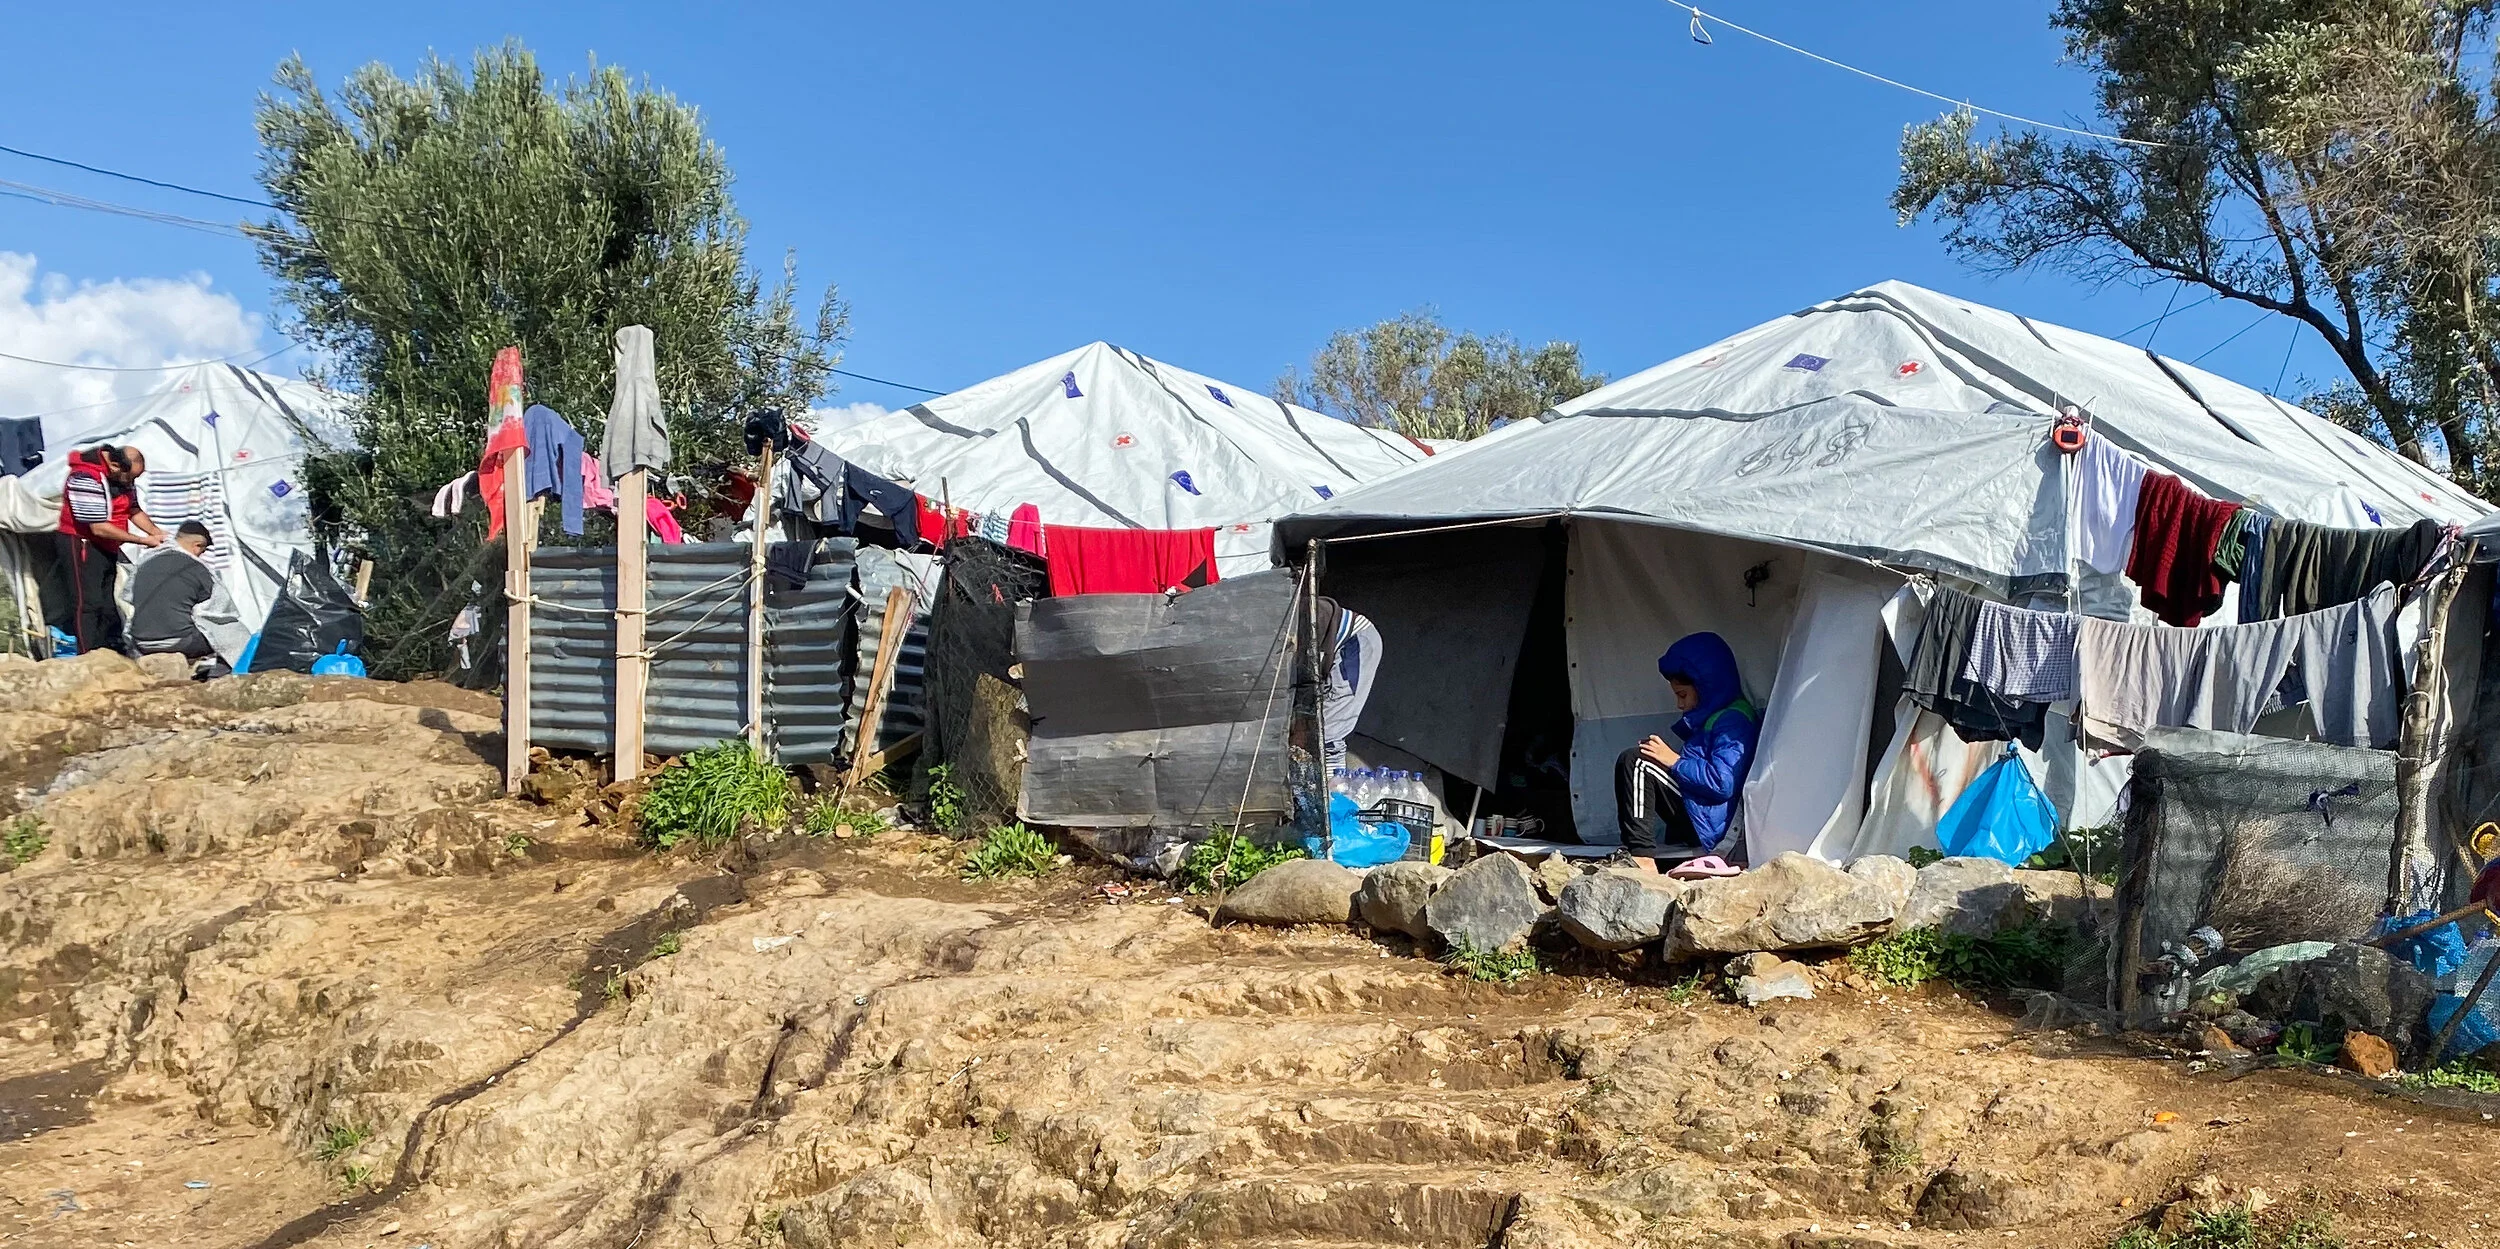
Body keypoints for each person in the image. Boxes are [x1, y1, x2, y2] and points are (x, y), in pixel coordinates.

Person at [1614, 631, 1759, 875]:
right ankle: (1642, 852)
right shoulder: (1715, 717)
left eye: (1682, 695)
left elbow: (1722, 783)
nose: (1679, 705)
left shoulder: (1733, 720)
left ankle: (1642, 857)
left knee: (1637, 762)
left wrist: (1673, 761)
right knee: (1642, 759)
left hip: (1715, 828)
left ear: (1706, 687)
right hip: (1705, 819)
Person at [52, 444, 161, 653]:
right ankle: (88, 654)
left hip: (107, 545)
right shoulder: (84, 477)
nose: (132, 482)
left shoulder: (122, 478)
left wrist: (155, 532)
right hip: (82, 542)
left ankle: (108, 649)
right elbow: (98, 527)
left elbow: (133, 510)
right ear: (114, 464)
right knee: (88, 602)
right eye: (130, 477)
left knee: (108, 603)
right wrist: (141, 540)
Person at [128, 522, 222, 661]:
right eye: (202, 552)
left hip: (141, 642)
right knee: (224, 633)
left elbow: (127, 596)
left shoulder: (145, 562)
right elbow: (216, 606)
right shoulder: (196, 568)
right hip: (179, 642)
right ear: (197, 546)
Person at [1313, 596, 1381, 776]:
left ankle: (1331, 791)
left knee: (1328, 729)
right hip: (1329, 647)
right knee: (1316, 727)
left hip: (1353, 639)